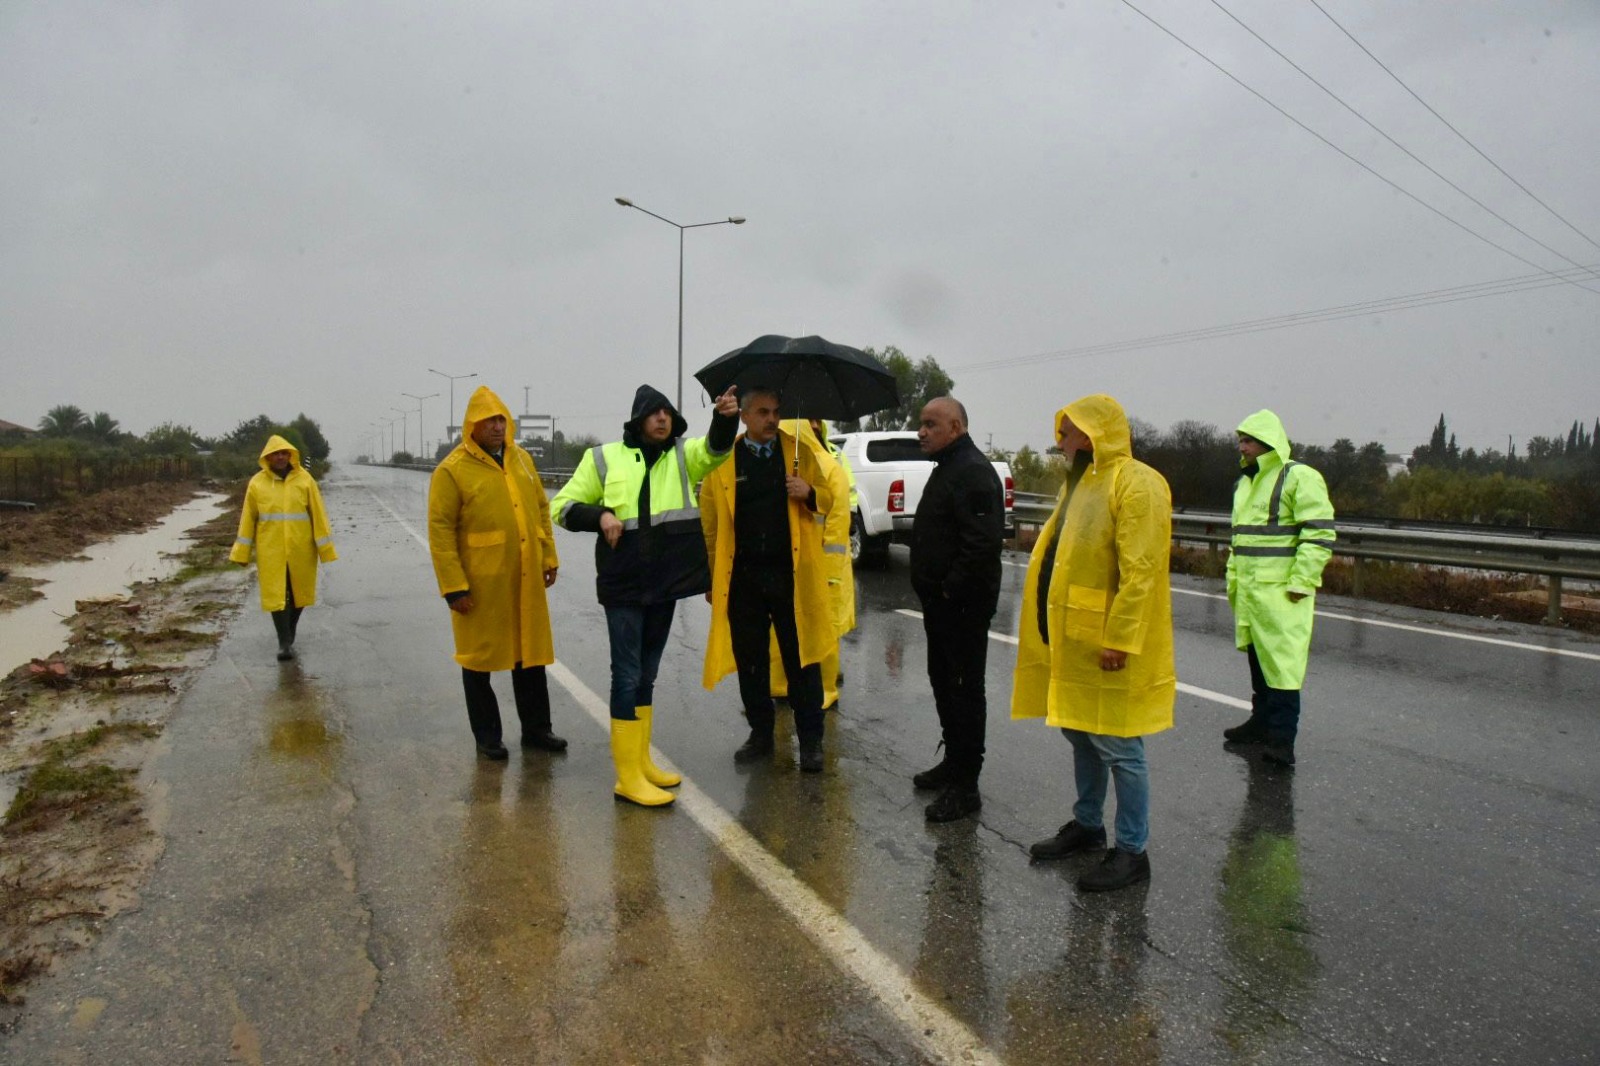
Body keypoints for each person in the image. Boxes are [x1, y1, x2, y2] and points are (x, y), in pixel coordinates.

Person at [549, 383, 739, 807]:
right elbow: (560, 506)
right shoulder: (603, 458)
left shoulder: (683, 457)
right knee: (628, 673)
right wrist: (599, 515)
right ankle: (627, 776)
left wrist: (726, 418)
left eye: (667, 413)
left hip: (665, 584)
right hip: (624, 583)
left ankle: (641, 763)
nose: (662, 418)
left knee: (648, 674)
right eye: (654, 413)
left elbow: (715, 451)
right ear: (638, 419)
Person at [1013, 395, 1175, 892]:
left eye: (1067, 433)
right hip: (1074, 638)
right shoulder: (1080, 482)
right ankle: (1088, 825)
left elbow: (1141, 570)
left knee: (1120, 745)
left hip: (1110, 643)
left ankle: (1132, 851)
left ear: (1091, 434)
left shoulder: (1136, 482)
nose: (1060, 442)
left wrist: (1121, 638)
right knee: (1081, 731)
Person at [701, 387, 839, 773]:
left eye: (776, 411)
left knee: (802, 661)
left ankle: (811, 742)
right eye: (763, 412)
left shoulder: (798, 452)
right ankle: (761, 735)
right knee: (752, 662)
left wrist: (809, 492)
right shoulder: (724, 460)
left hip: (790, 576)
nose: (772, 419)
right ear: (744, 416)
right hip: (744, 578)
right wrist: (713, 577)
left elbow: (831, 499)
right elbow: (711, 525)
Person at [427, 386, 564, 761]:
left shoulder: (520, 459)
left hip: (525, 577)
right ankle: (487, 737)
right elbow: (440, 533)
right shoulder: (452, 470)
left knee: (530, 656)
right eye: (488, 421)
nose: (496, 426)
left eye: (501, 419)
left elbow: (540, 507)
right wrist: (454, 588)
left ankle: (538, 730)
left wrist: (548, 555)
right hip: (480, 584)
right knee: (478, 660)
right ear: (471, 426)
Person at [908, 397, 1005, 823]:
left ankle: (966, 787)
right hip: (942, 607)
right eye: (921, 424)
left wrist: (948, 592)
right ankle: (953, 763)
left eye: (931, 424)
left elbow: (981, 544)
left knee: (965, 692)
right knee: (944, 685)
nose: (921, 432)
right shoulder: (949, 466)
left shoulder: (973, 472)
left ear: (957, 426)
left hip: (962, 608)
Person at [1223, 410, 1336, 768]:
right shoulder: (1245, 484)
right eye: (1240, 440)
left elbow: (1318, 533)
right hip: (1252, 592)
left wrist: (1302, 582)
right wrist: (1234, 582)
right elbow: (1240, 540)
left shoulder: (1298, 477)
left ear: (1267, 442)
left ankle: (1282, 741)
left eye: (1249, 440)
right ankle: (1261, 723)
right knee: (1259, 661)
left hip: (1283, 593)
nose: (1243, 446)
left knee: (1283, 669)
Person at [768, 418, 856, 712]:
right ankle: (780, 686)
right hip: (792, 564)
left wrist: (829, 576)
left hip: (822, 569)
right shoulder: (784, 465)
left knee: (823, 632)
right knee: (783, 627)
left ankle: (825, 691)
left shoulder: (829, 468)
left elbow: (837, 528)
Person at [229, 434, 337, 661]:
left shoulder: (305, 480)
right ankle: (284, 642)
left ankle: (289, 631)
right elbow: (248, 518)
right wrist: (241, 552)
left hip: (301, 548)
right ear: (267, 457)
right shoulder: (257, 483)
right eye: (275, 454)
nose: (280, 457)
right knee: (277, 594)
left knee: (300, 594)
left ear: (290, 455)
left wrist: (325, 549)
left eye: (283, 453)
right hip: (271, 549)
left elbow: (318, 514)